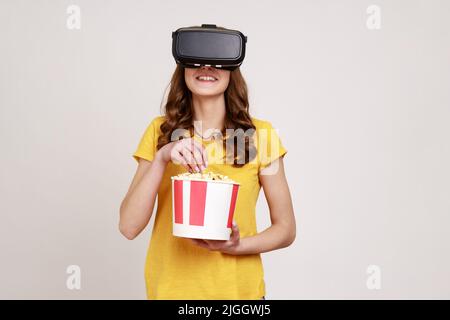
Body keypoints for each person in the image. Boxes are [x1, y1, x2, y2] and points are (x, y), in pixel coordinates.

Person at [119, 49, 296, 300]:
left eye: (217, 60)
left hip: (239, 296)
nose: (206, 67)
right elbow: (128, 226)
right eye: (197, 59)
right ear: (183, 69)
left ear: (232, 70)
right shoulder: (159, 131)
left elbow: (286, 228)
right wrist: (162, 157)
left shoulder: (262, 136)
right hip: (172, 293)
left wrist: (235, 246)